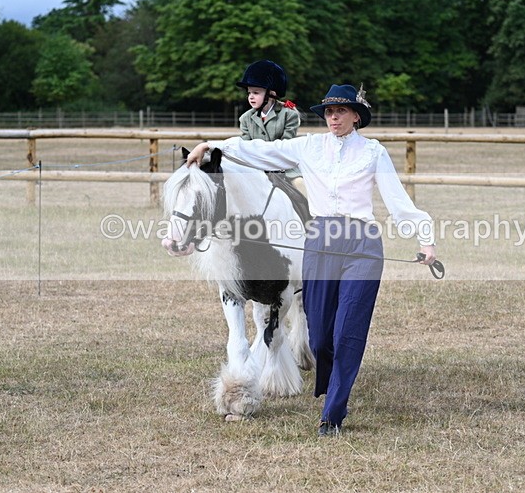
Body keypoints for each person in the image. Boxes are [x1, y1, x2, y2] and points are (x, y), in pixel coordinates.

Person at [186, 83, 437, 437]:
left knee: (348, 331)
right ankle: (332, 385)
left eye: (341, 112)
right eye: (329, 112)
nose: (333, 117)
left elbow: (398, 201)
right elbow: (259, 151)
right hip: (319, 243)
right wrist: (211, 146)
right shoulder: (308, 147)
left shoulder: (373, 153)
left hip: (362, 245)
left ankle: (332, 412)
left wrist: (424, 239)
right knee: (319, 339)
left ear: (356, 116)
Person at [235, 59, 305, 195]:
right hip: (255, 168)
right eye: (249, 93)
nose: (250, 97)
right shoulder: (245, 118)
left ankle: (311, 215)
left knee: (301, 185)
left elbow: (285, 146)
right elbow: (245, 147)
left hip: (285, 168)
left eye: (256, 93)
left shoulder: (289, 115)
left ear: (271, 93)